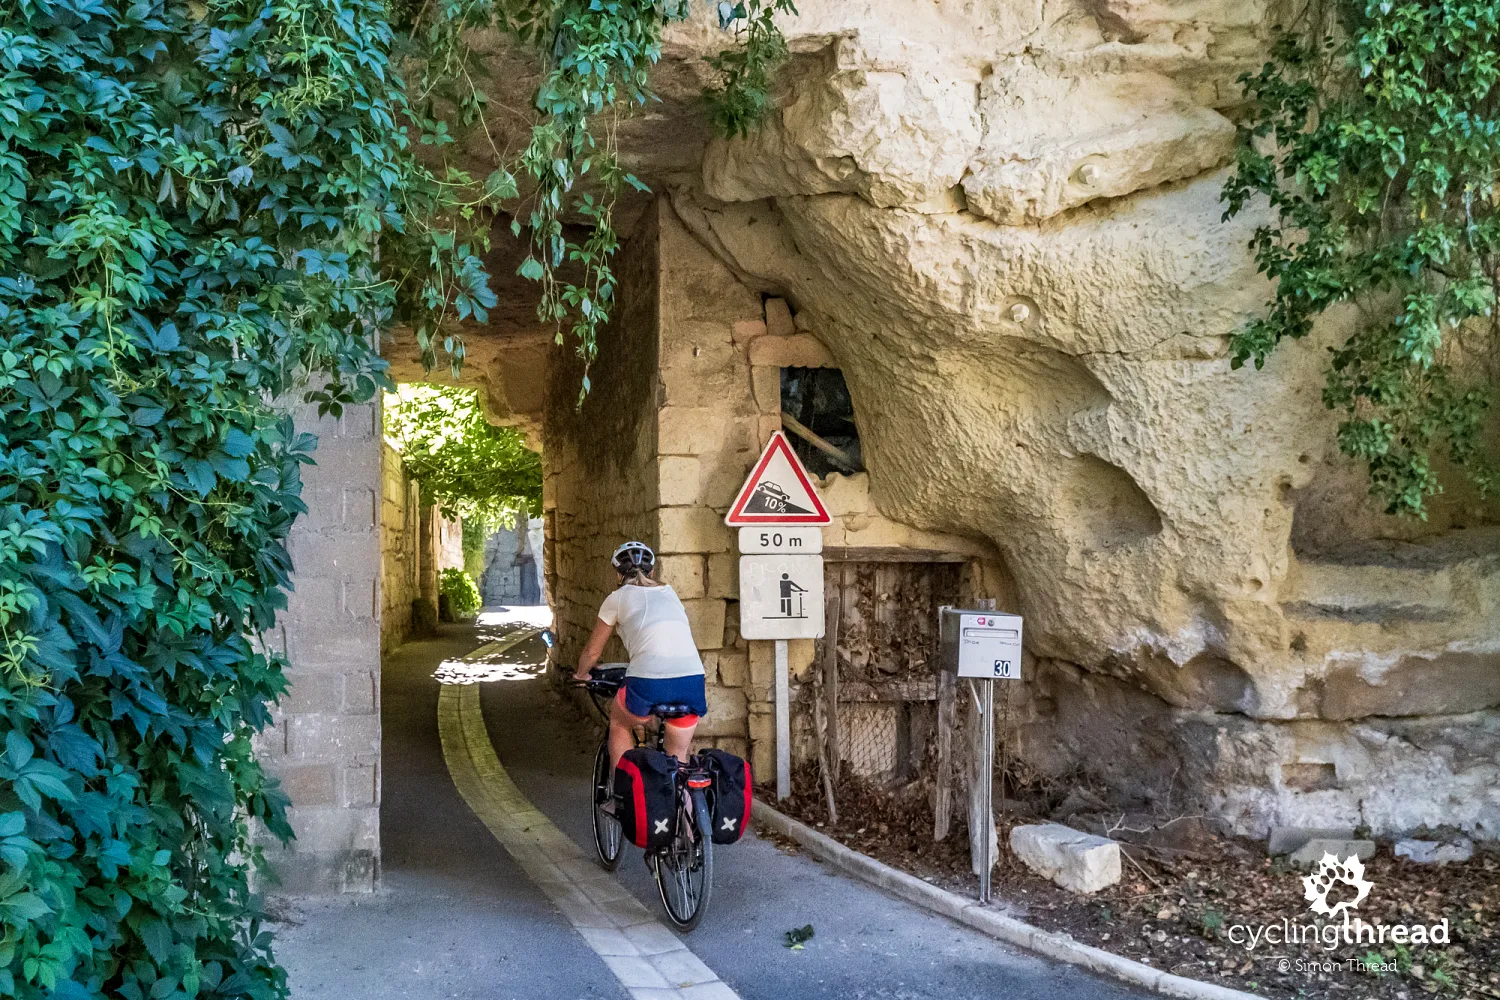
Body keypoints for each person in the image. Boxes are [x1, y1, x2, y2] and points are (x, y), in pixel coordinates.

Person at [573, 541, 707, 767]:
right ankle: (681, 786)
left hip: (647, 681)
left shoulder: (616, 599)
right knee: (678, 758)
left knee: (619, 723)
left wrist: (581, 674)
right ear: (652, 572)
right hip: (692, 681)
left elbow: (593, 652)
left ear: (618, 575)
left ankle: (621, 787)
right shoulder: (670, 593)